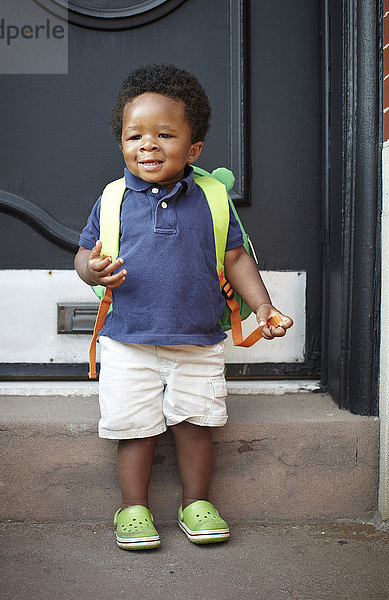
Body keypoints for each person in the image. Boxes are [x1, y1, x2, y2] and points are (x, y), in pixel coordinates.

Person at [75, 64, 293, 551]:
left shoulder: (212, 198)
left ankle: (196, 501)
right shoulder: (113, 199)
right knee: (136, 428)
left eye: (164, 135)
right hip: (128, 338)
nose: (147, 145)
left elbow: (235, 257)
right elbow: (84, 253)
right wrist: (91, 269)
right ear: (122, 145)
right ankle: (133, 507)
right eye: (135, 136)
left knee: (196, 424)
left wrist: (263, 306)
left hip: (197, 340)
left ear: (193, 149)